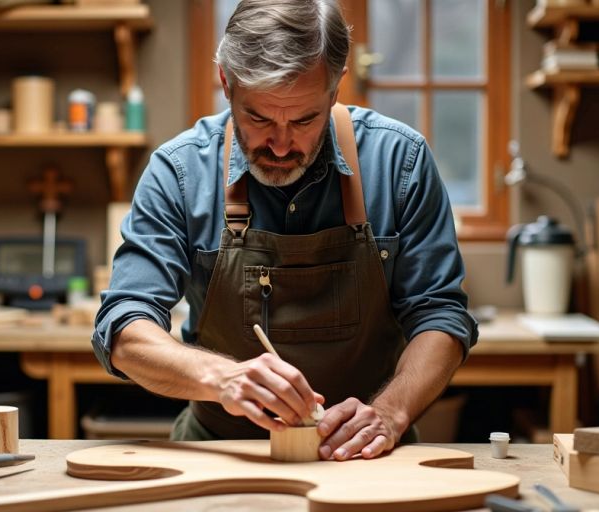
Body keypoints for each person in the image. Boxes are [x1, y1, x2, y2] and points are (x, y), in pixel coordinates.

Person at [94, 0, 477, 461]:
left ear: (334, 91)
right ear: (227, 85)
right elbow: (123, 327)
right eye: (258, 118)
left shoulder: (400, 162)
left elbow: (440, 316)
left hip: (365, 456)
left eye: (303, 120)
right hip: (221, 453)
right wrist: (222, 379)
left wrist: (391, 413)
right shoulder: (179, 171)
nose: (279, 144)